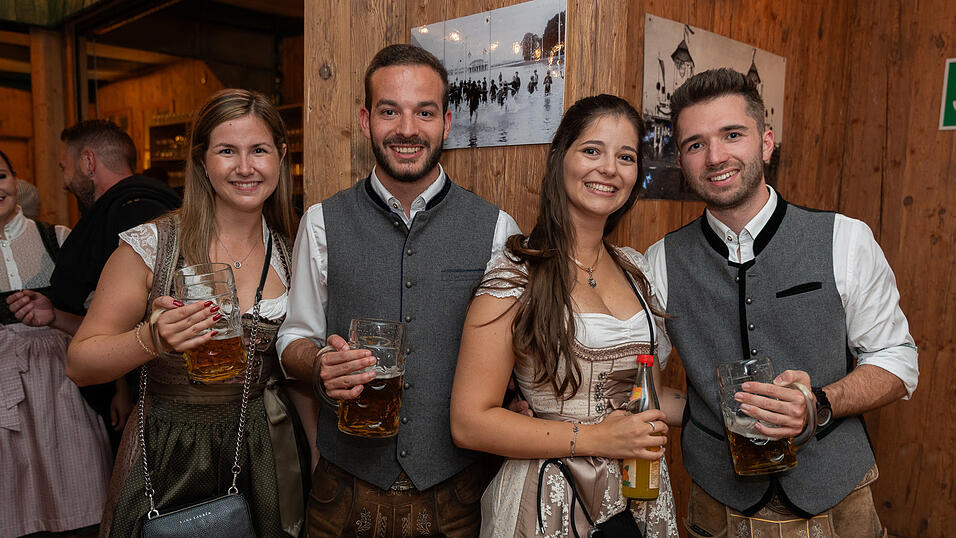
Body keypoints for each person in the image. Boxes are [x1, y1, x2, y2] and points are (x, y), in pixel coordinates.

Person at [644, 68, 918, 537]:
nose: (716, 157)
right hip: (719, 507)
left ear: (766, 142)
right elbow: (636, 374)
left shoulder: (844, 239)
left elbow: (897, 361)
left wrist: (820, 404)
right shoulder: (660, 262)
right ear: (682, 160)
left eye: (733, 135)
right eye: (695, 144)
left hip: (837, 507)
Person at [277, 44, 520, 536]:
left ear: (446, 122)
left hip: (456, 499)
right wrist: (320, 362)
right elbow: (291, 339)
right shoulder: (322, 222)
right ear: (367, 121)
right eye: (390, 111)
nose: (407, 129)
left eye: (424, 112)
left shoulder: (496, 229)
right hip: (342, 497)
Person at [66, 89, 308, 537]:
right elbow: (80, 363)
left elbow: (296, 381)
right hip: (167, 450)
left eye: (259, 150)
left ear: (281, 155)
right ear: (201, 162)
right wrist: (152, 340)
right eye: (226, 151)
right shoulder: (153, 245)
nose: (245, 167)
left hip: (262, 449)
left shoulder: (292, 251)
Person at [450, 95, 681, 537]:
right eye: (592, 150)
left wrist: (735, 410)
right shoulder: (517, 275)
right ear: (559, 158)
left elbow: (645, 396)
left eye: (626, 156)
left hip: (639, 497)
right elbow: (468, 421)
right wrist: (596, 438)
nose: (610, 168)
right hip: (550, 497)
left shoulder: (635, 270)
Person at [15, 119, 181, 455]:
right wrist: (55, 315)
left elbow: (135, 320)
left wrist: (120, 387)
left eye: (65, 167)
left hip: (151, 396)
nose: (65, 180)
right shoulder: (138, 208)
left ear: (89, 162)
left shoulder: (135, 216)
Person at [0, 150, 112, 537]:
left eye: (0, 175)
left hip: (63, 386)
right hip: (3, 395)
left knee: (81, 496)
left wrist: (117, 391)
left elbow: (102, 322)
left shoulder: (59, 238)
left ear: (16, 180)